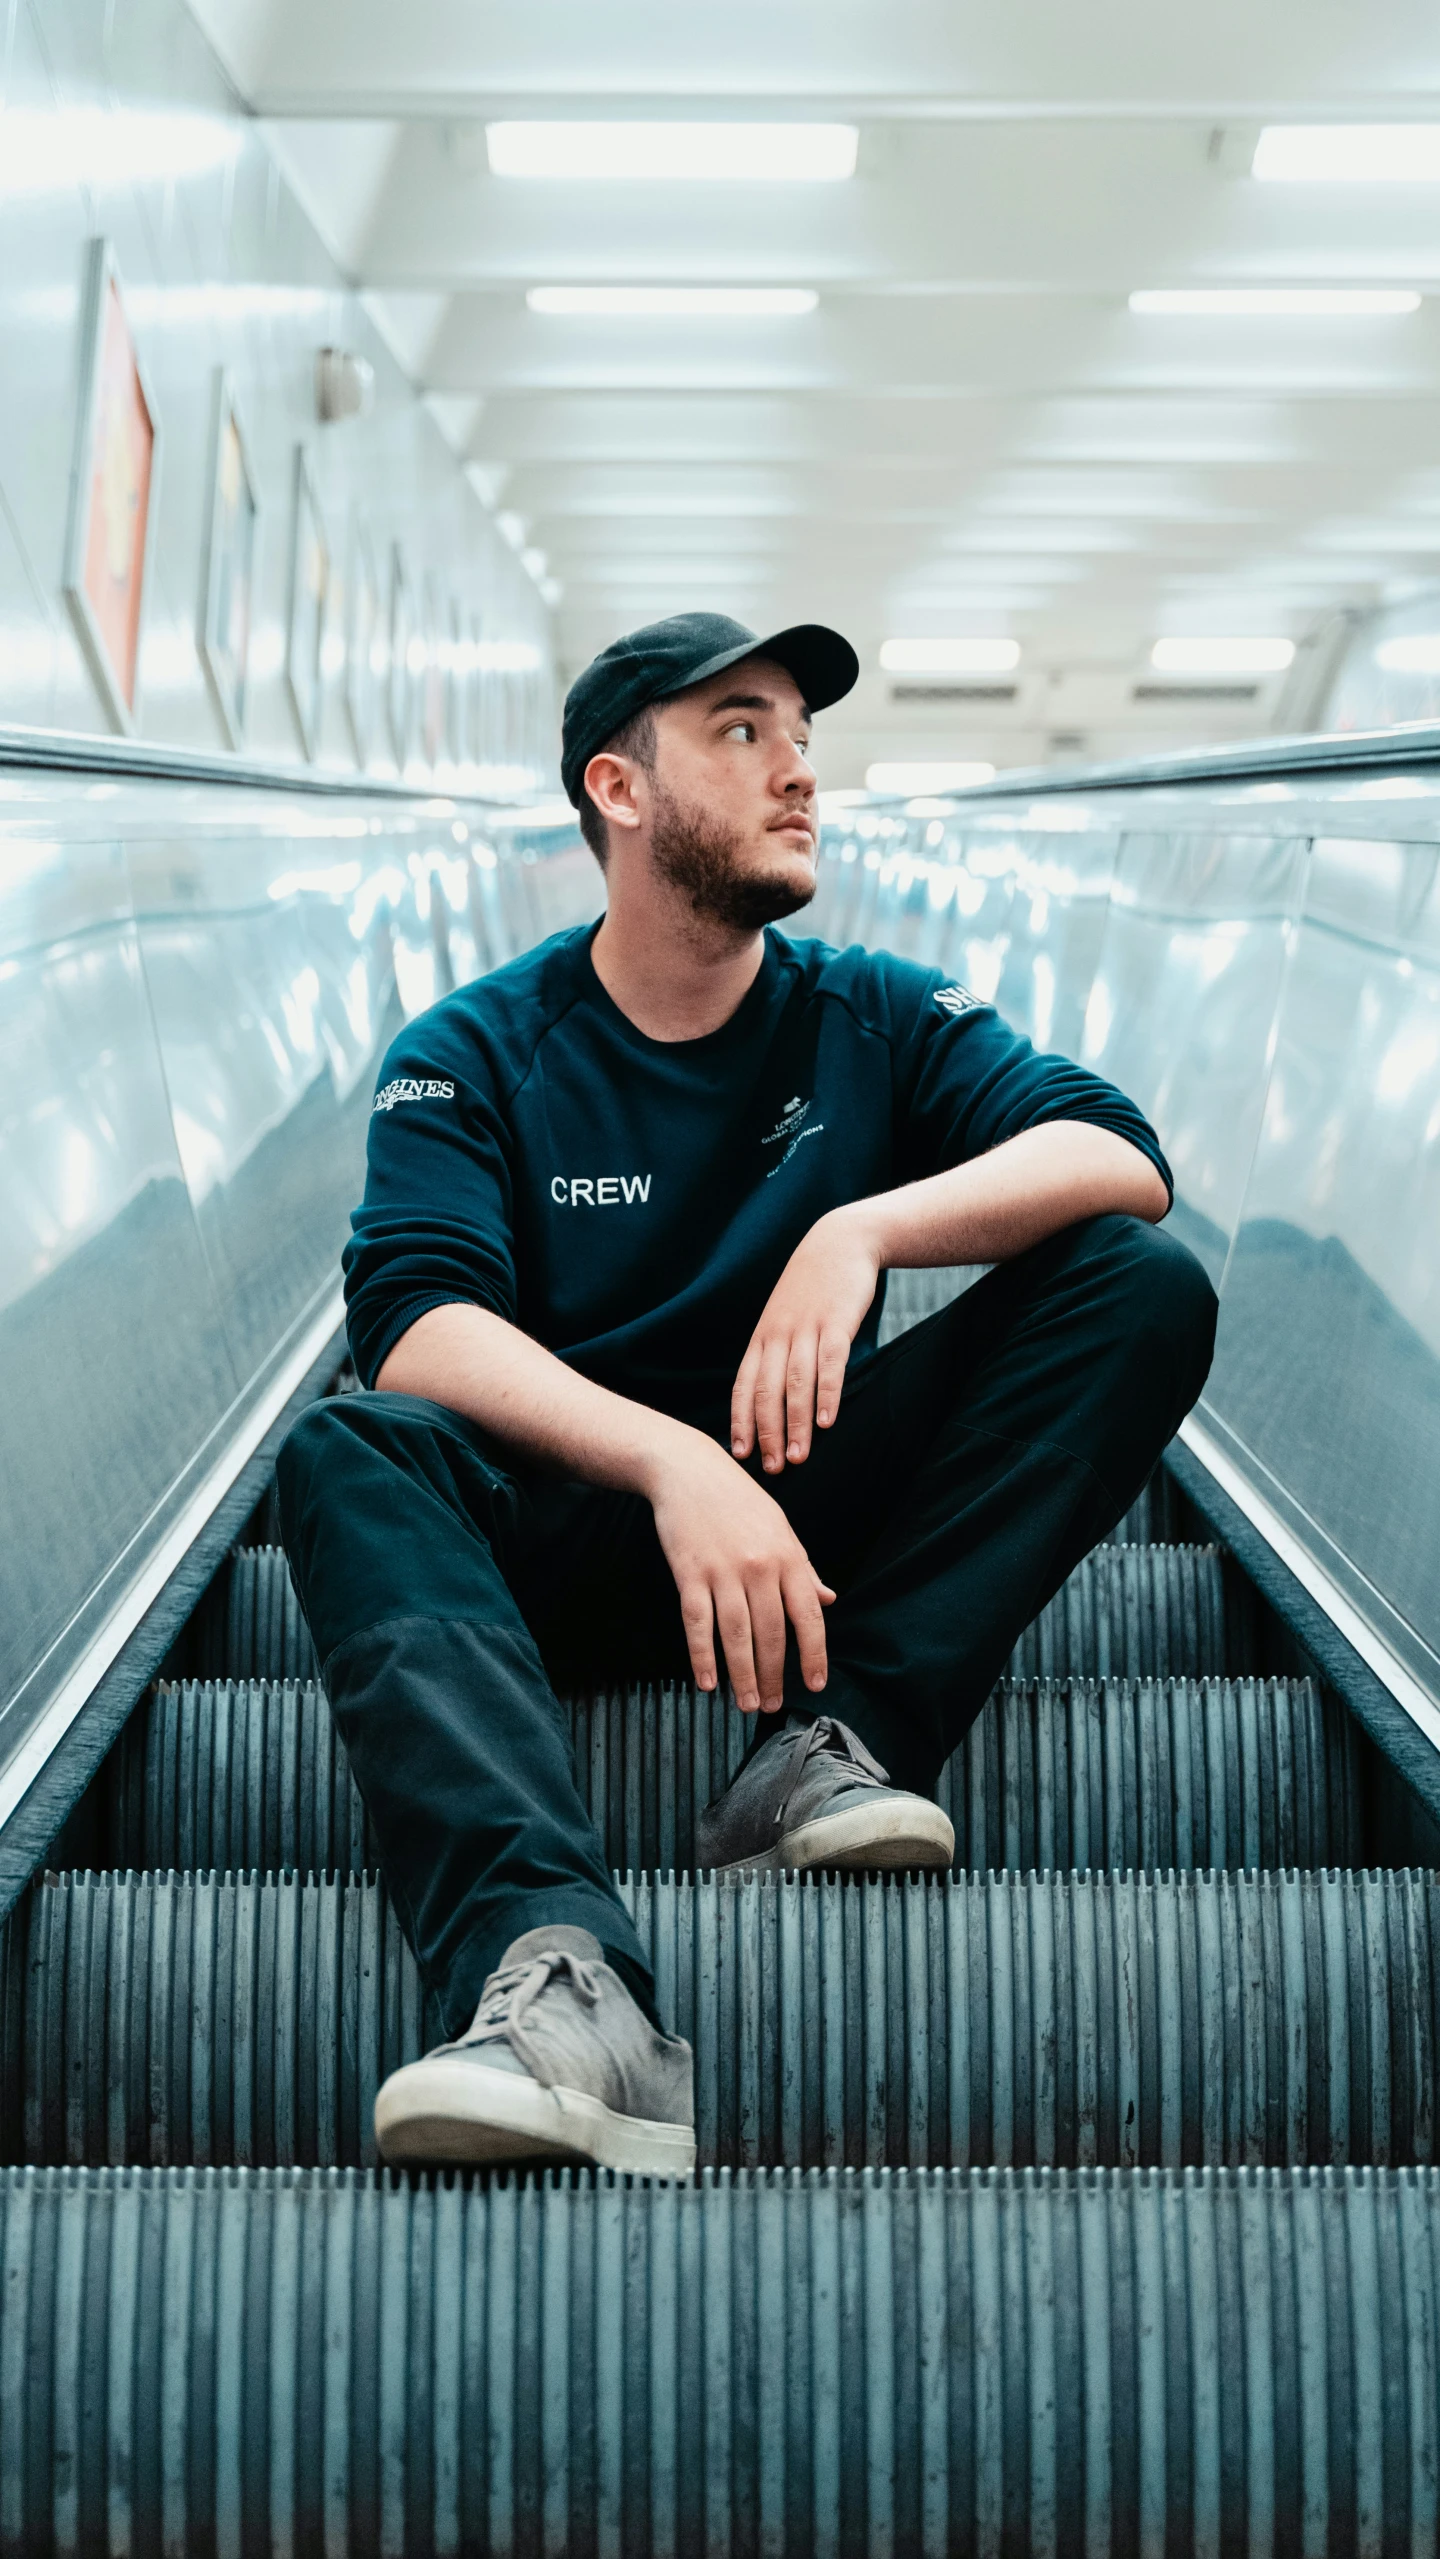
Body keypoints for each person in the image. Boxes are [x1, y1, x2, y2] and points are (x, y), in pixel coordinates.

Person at [277, 610, 1217, 2175]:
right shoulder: (475, 1047)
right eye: (742, 729)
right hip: (565, 1535)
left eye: (802, 733)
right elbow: (416, 1323)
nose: (799, 772)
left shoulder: (870, 1009)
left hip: (818, 1531)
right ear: (620, 790)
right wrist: (668, 1462)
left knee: (1138, 1284)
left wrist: (868, 1226)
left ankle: (827, 1745)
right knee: (353, 1449)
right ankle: (562, 1978)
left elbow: (1119, 1159)